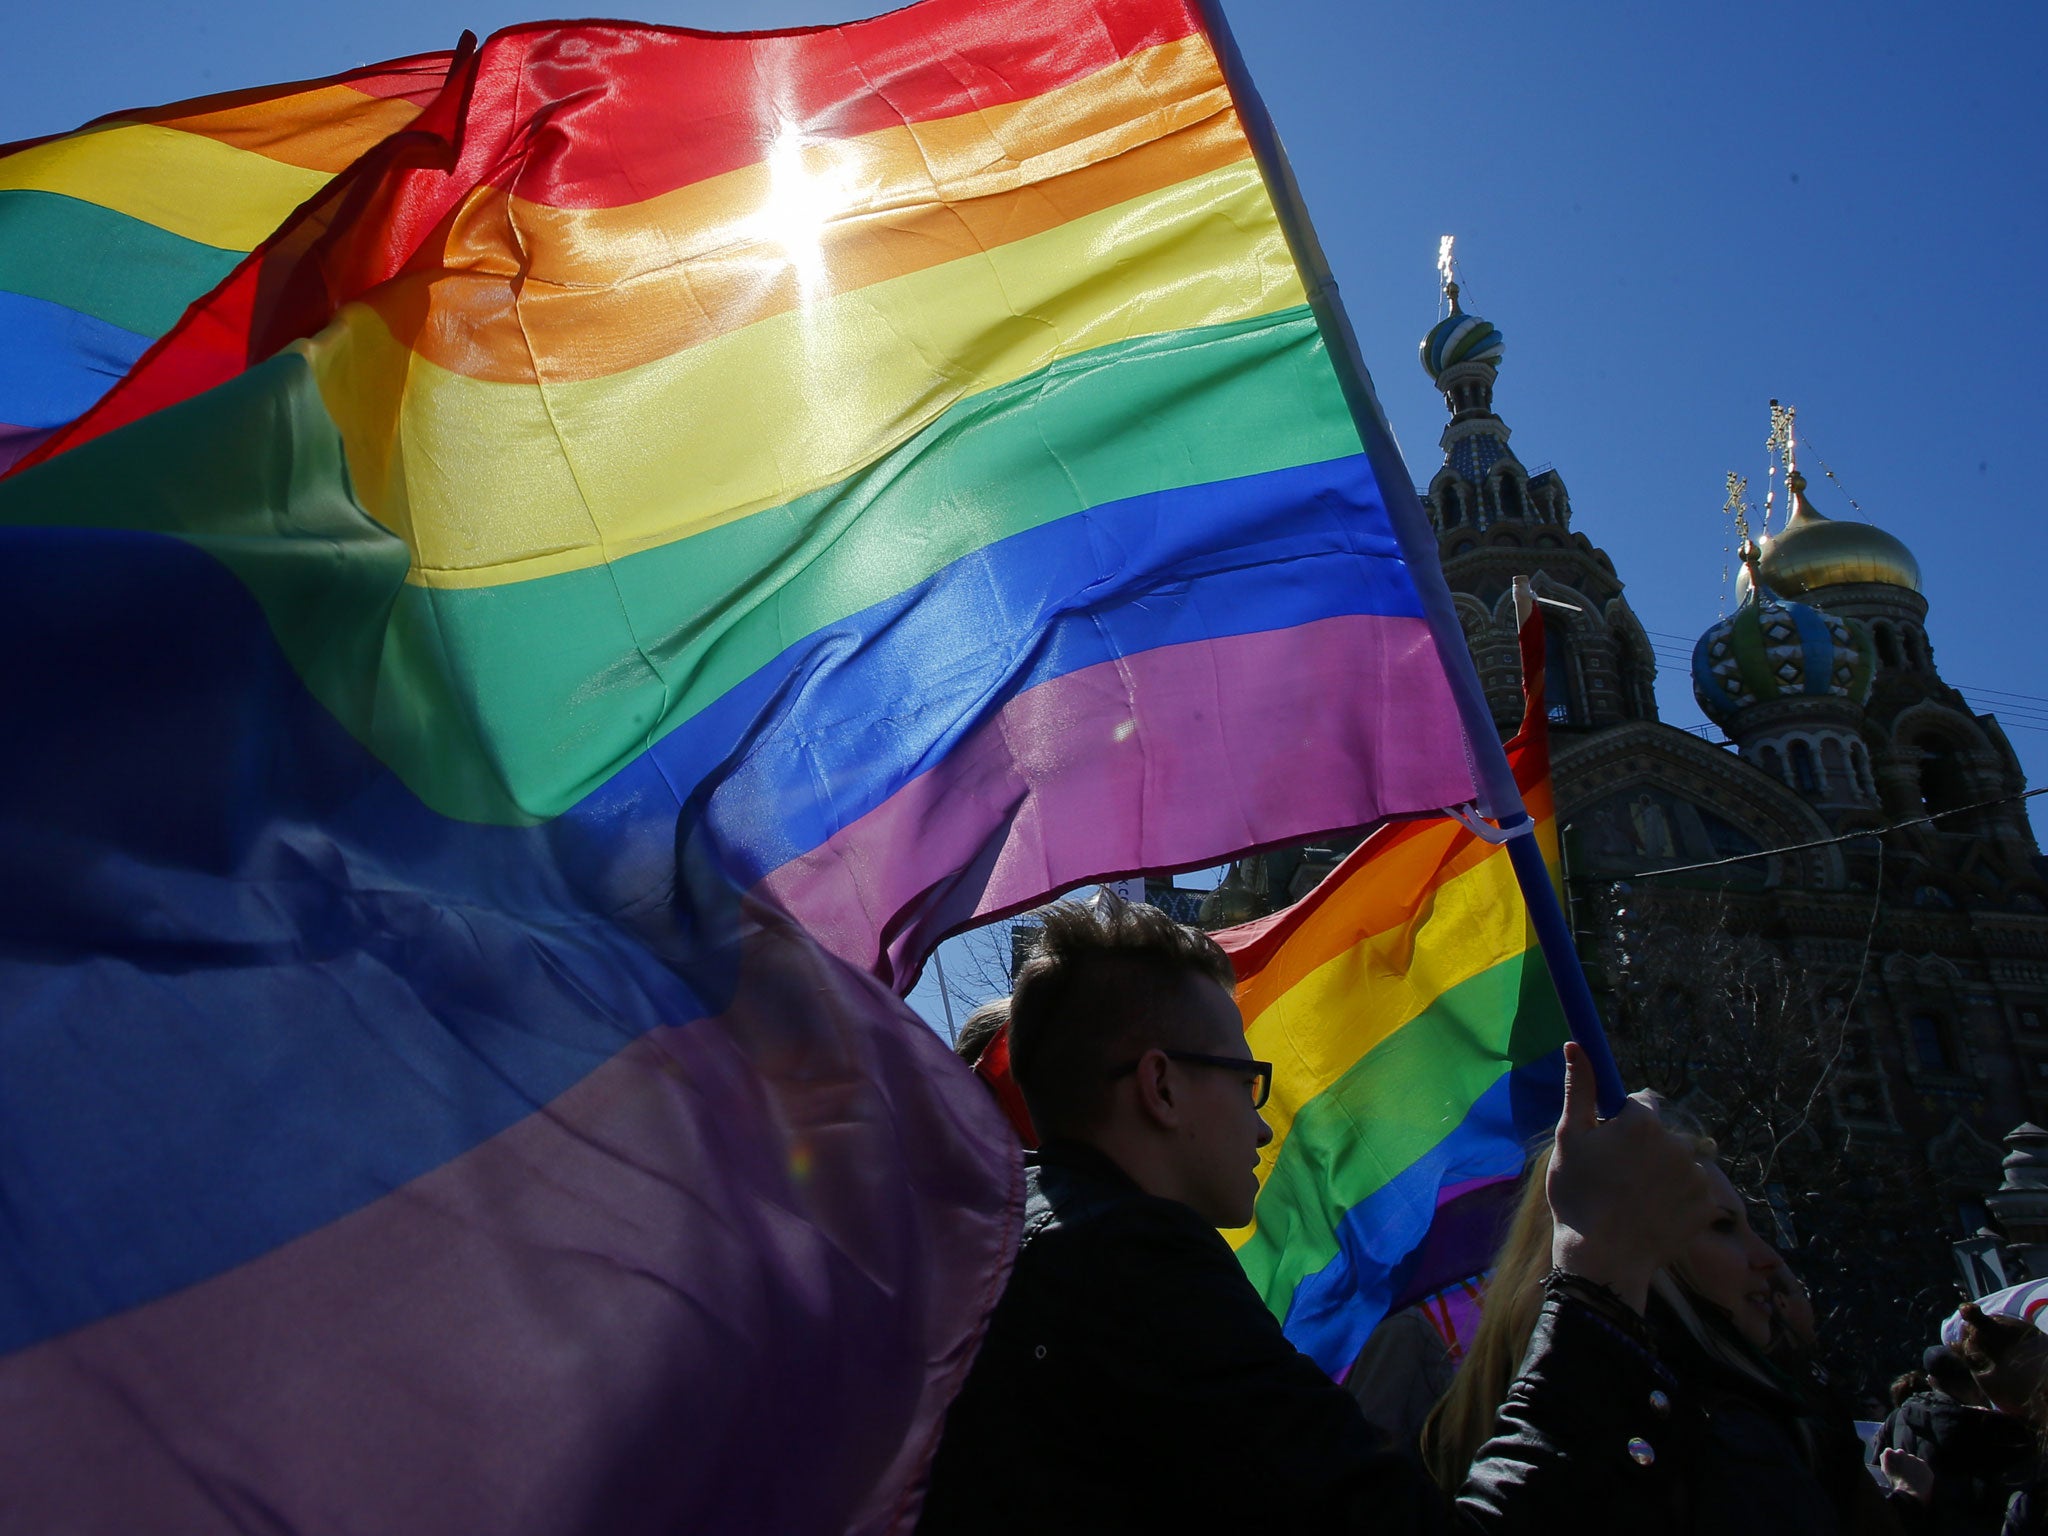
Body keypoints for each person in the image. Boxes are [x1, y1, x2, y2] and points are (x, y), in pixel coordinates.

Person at [916, 896, 1725, 1533]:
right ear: (1161, 1087)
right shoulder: (1134, 1270)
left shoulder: (995, 1263)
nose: (1264, 1125)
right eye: (1246, 1078)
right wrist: (1596, 1281)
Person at [1877, 1344, 2031, 1535]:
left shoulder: (1897, 1419)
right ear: (1979, 1385)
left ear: (1930, 1380)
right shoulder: (1990, 1429)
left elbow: (1877, 1475)